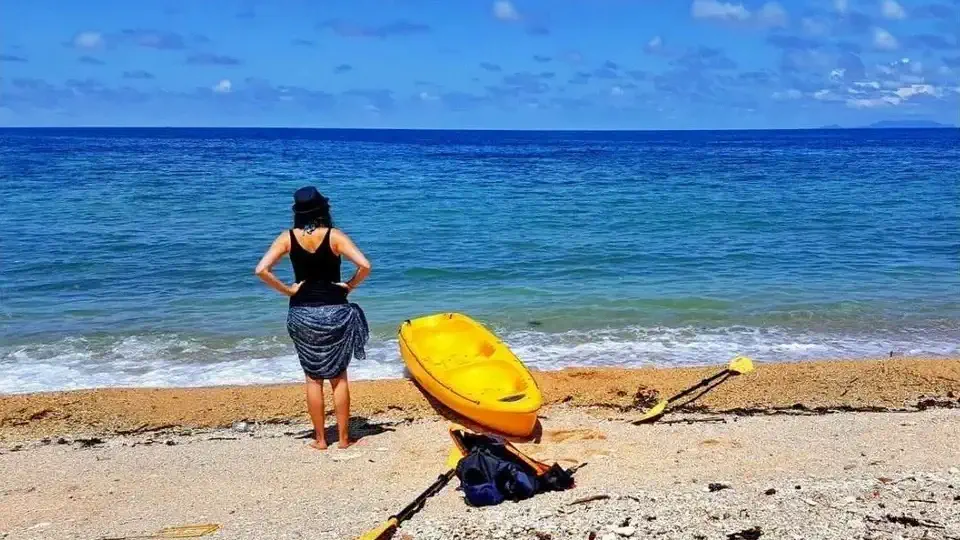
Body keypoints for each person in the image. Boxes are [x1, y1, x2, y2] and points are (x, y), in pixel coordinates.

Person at [254, 186, 371, 450]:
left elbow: (261, 270)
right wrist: (350, 285)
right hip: (335, 311)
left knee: (312, 378)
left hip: (302, 312)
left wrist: (288, 290)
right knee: (339, 377)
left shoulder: (287, 238)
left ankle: (320, 440)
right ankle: (343, 439)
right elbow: (365, 265)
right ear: (323, 210)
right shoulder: (334, 236)